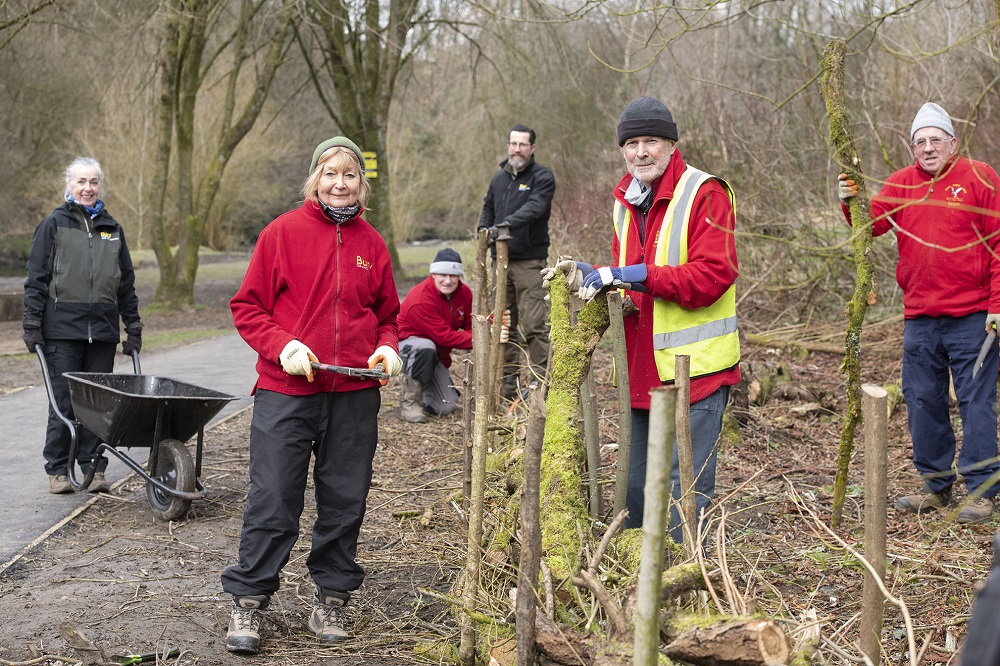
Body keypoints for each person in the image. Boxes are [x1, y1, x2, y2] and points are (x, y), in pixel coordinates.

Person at [220, 136, 402, 653]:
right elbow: (247, 307)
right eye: (330, 174)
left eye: (349, 175)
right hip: (287, 391)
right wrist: (284, 348)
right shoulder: (282, 233)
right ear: (314, 179)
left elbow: (388, 314)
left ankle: (332, 596)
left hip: (353, 392)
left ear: (360, 184)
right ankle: (249, 600)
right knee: (274, 496)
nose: (339, 183)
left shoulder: (373, 244)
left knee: (345, 500)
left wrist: (388, 349)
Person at [543, 96, 739, 543]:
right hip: (642, 373)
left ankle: (682, 590)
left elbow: (713, 277)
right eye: (631, 143)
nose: (640, 152)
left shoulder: (705, 193)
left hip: (697, 373)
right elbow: (630, 283)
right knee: (634, 490)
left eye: (651, 140)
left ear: (671, 145)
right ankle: (629, 583)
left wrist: (636, 274)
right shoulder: (625, 201)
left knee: (682, 492)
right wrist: (594, 276)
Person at [838, 102, 1000, 524]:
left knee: (975, 401)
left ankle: (981, 491)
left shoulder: (980, 177)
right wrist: (849, 199)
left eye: (935, 140)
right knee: (922, 401)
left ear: (952, 142)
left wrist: (997, 307)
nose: (928, 148)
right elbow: (869, 226)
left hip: (974, 316)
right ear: (912, 147)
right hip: (920, 318)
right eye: (920, 142)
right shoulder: (900, 184)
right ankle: (936, 486)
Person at [22, 157, 143, 495]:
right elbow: (36, 279)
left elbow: (125, 285)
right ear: (69, 186)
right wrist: (32, 323)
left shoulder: (112, 229)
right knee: (63, 402)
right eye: (81, 182)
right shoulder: (54, 225)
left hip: (102, 331)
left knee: (98, 403)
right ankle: (58, 470)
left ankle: (94, 468)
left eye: (93, 182)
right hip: (62, 331)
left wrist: (133, 327)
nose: (87, 188)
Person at [478, 124, 556, 400]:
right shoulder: (499, 179)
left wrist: (506, 225)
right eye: (513, 143)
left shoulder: (542, 177)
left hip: (529, 262)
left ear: (532, 148)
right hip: (500, 264)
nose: (517, 149)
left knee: (534, 325)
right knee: (503, 325)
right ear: (508, 145)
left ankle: (539, 384)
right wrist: (484, 230)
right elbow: (488, 207)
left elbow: (536, 207)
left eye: (523, 144)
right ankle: (508, 382)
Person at [396, 248, 474, 423]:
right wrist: (481, 339)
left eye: (453, 275)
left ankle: (427, 392)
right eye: (442, 275)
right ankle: (410, 403)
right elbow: (445, 337)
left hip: (435, 354)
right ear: (433, 274)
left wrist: (487, 327)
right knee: (425, 347)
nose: (448, 280)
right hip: (406, 349)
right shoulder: (421, 298)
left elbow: (470, 325)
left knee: (447, 407)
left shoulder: (465, 293)